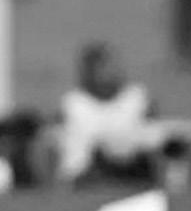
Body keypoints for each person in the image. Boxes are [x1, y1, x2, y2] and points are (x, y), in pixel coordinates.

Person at [57, 43, 158, 186]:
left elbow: (153, 138)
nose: (109, 72)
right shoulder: (73, 102)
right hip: (82, 180)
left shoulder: (137, 98)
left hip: (132, 174)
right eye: (101, 67)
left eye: (112, 66)